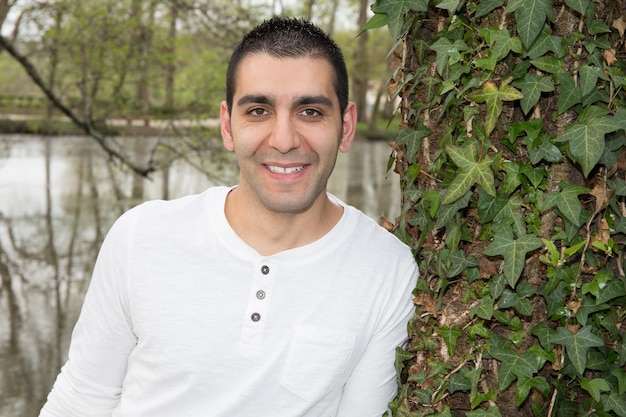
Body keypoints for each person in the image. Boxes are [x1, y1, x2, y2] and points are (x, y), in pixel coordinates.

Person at [39, 16, 418, 417]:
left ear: (345, 127)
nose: (285, 140)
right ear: (227, 126)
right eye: (258, 110)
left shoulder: (387, 270)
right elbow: (81, 399)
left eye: (310, 111)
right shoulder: (141, 236)